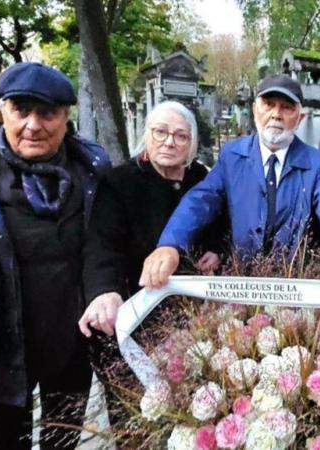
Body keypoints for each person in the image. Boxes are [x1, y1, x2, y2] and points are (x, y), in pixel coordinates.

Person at [0, 62, 111, 449]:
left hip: (71, 346)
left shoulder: (93, 169)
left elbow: (106, 245)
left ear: (66, 117)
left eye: (47, 113)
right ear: (3, 111)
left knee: (62, 442)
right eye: (21, 110)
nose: (33, 125)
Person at [140, 74, 320, 295]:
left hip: (292, 291)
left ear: (300, 118)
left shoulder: (315, 163)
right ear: (255, 109)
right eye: (269, 104)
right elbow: (201, 200)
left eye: (286, 107)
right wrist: (170, 244)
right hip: (239, 287)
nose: (276, 114)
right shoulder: (232, 156)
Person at [77, 101, 223, 445]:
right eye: (160, 132)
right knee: (136, 415)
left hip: (189, 317)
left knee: (189, 409)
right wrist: (104, 290)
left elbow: (220, 220)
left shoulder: (201, 178)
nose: (169, 142)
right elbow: (101, 244)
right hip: (136, 312)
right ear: (147, 135)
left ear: (192, 142)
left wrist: (217, 248)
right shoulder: (119, 182)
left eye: (180, 135)